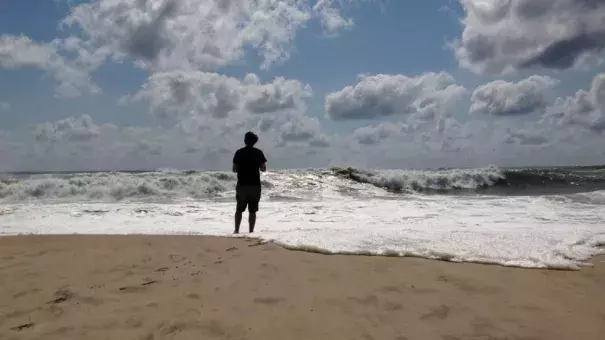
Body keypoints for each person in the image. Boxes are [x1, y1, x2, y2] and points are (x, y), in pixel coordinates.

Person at [232, 131, 267, 234]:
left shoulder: (239, 152)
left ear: (245, 140)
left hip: (242, 184)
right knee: (252, 211)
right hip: (255, 185)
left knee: (239, 209)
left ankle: (236, 230)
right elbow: (263, 169)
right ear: (255, 142)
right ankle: (251, 232)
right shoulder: (259, 153)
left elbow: (234, 169)